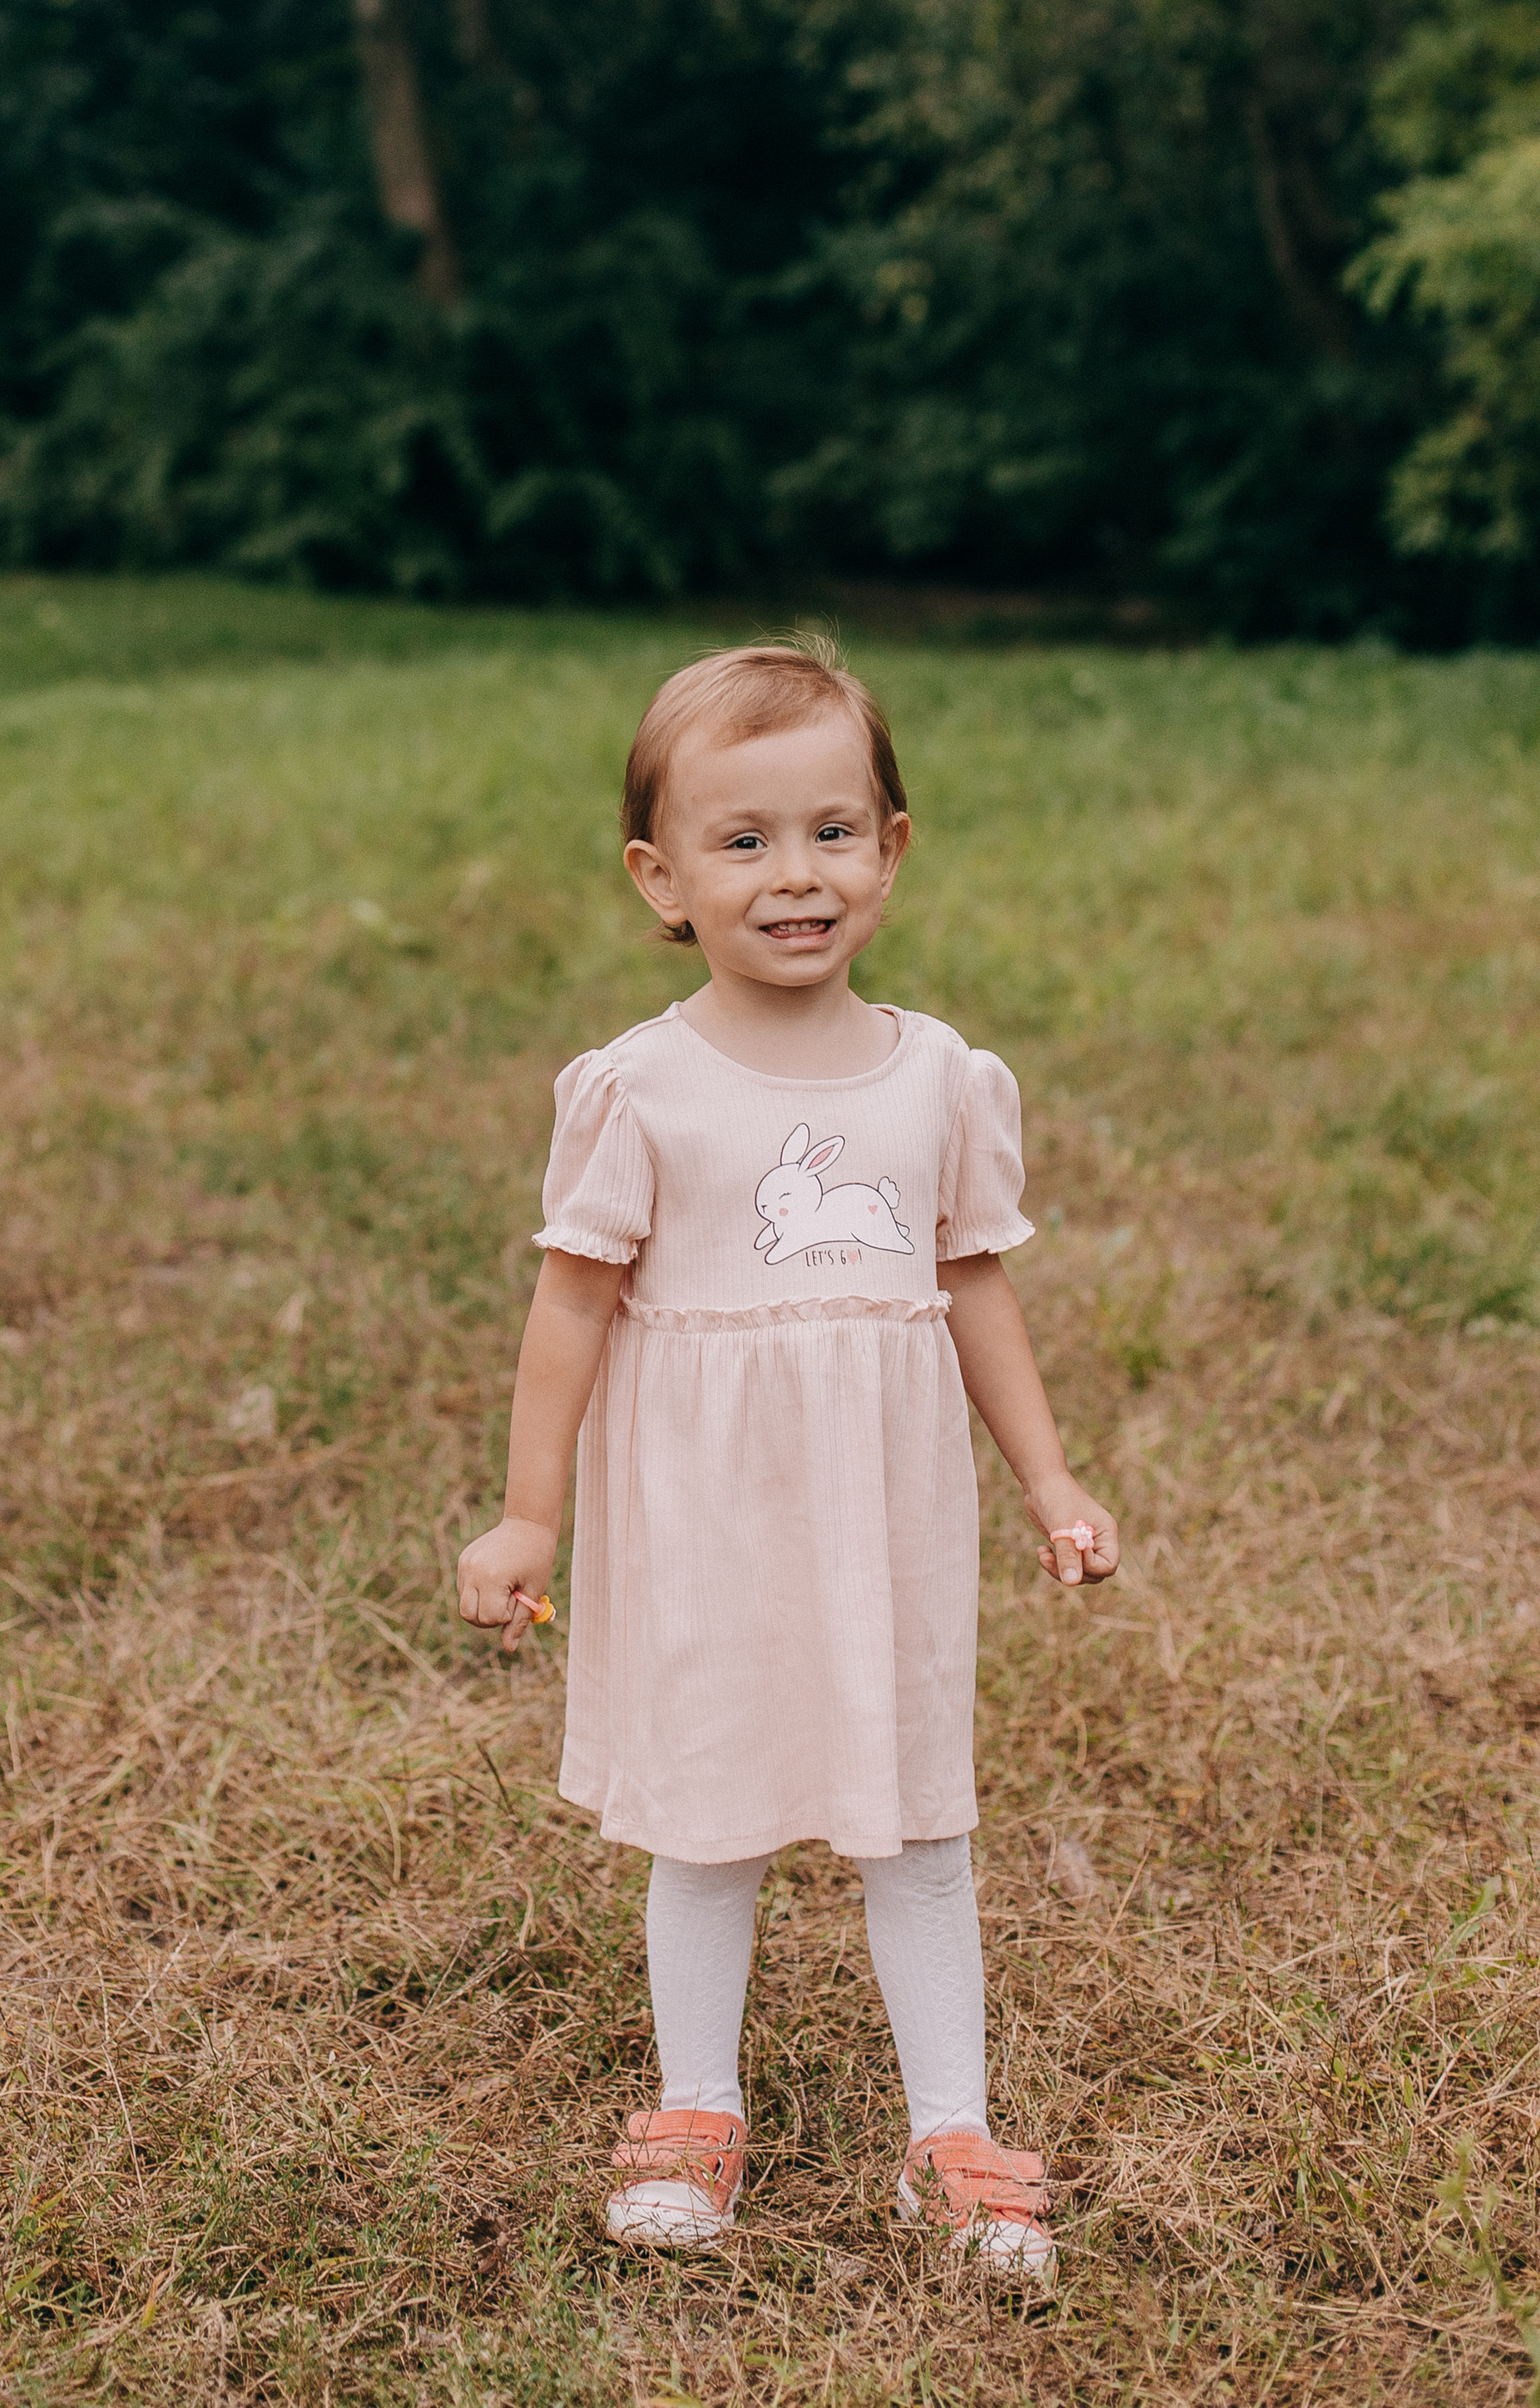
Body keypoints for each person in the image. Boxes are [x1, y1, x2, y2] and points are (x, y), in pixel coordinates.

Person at [455, 637, 1118, 2288]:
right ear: (658, 878)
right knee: (711, 1815)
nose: (792, 875)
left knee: (914, 1824)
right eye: (739, 842)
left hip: (882, 1518)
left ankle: (950, 2133)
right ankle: (694, 2111)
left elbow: (971, 1286)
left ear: (890, 847)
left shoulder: (935, 1080)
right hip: (704, 1518)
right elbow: (568, 1306)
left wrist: (1050, 1484)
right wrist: (529, 1511)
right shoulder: (643, 1089)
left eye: (830, 831)